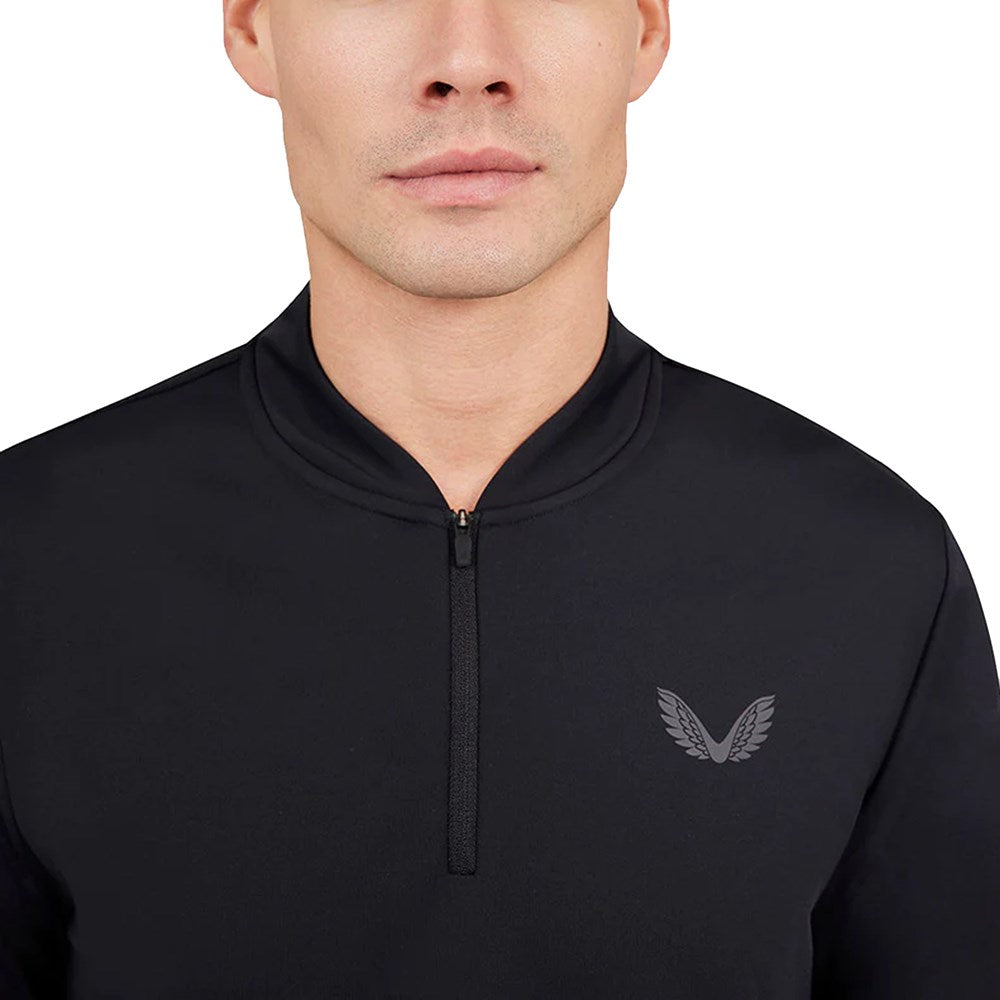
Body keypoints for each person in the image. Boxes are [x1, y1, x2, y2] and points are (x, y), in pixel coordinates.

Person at [1, 0, 997, 995]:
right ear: (253, 28)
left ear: (646, 29)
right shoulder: (32, 556)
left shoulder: (871, 566)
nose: (468, 61)